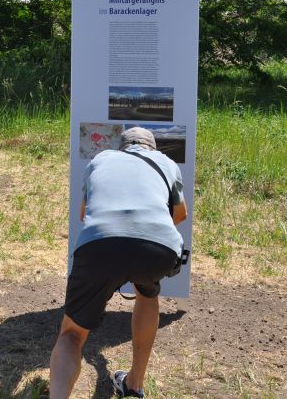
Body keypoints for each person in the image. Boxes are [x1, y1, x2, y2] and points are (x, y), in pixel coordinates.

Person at [49, 127, 188, 399]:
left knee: (72, 335)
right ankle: (134, 384)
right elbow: (180, 214)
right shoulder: (167, 163)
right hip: (158, 248)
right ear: (152, 148)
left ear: (121, 148)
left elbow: (83, 214)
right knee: (147, 294)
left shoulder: (100, 160)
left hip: (100, 243)